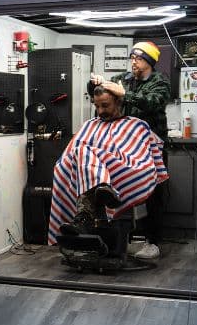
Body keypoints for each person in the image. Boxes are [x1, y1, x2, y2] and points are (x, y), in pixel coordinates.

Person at [50, 83, 169, 251]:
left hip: (125, 170)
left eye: (105, 105)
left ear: (119, 102)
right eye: (97, 106)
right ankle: (100, 189)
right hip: (89, 172)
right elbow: (69, 157)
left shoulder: (136, 125)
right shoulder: (89, 125)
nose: (100, 111)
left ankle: (85, 216)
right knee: (81, 153)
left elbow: (142, 161)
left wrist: (104, 160)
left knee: (84, 153)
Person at [88, 40, 171, 259]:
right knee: (117, 187)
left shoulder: (160, 81)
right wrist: (97, 84)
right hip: (124, 145)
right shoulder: (123, 79)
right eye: (132, 58)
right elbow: (103, 95)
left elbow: (153, 102)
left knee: (153, 193)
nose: (133, 62)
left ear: (150, 62)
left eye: (139, 58)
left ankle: (153, 242)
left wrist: (124, 94)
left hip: (151, 146)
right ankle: (118, 236)